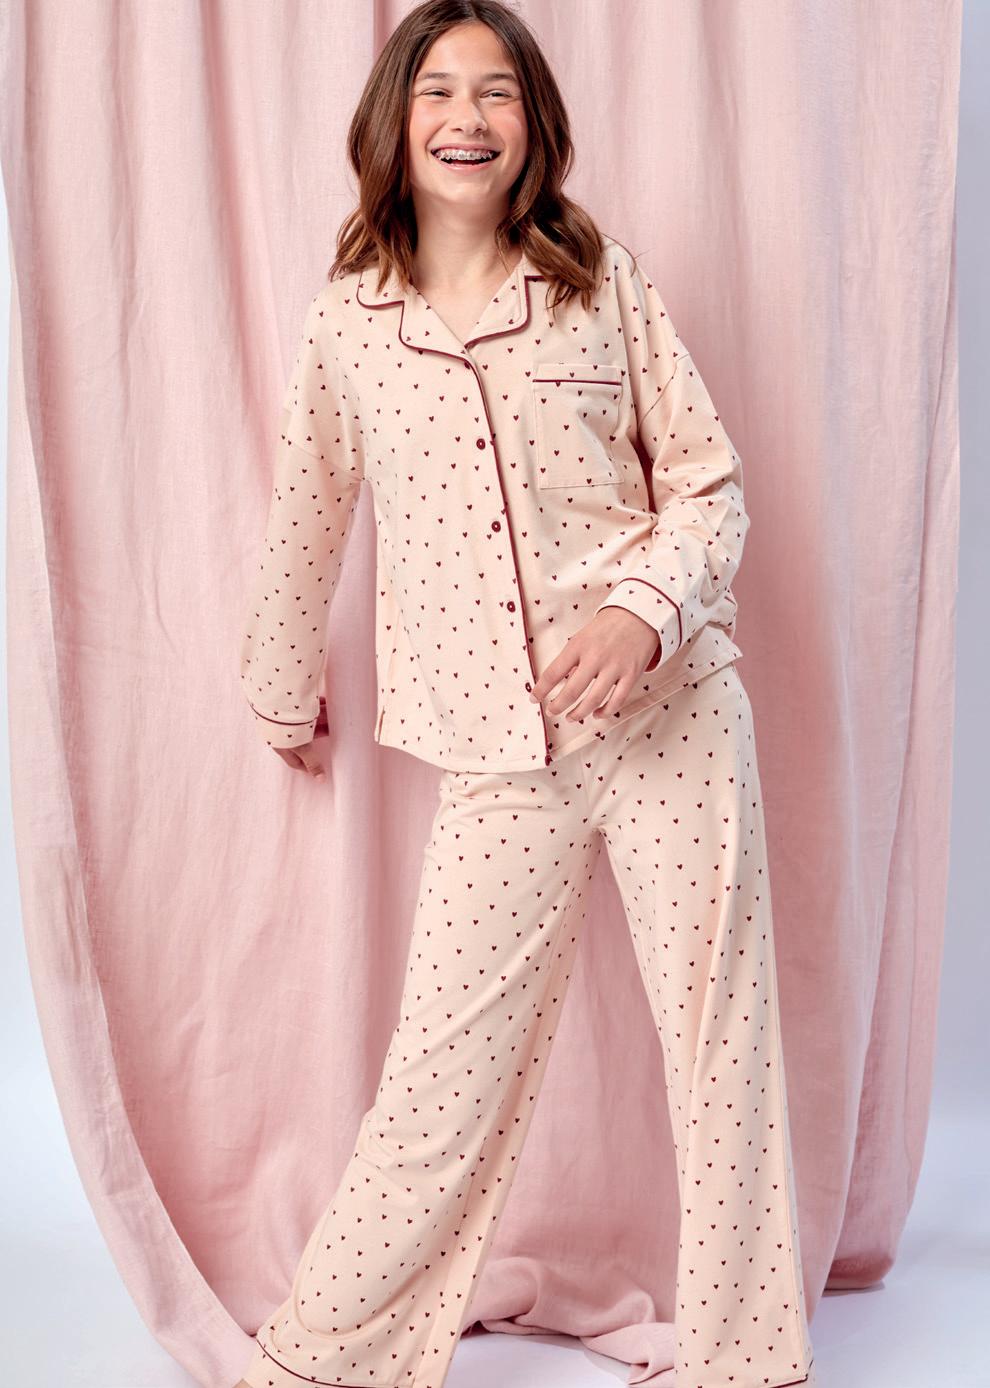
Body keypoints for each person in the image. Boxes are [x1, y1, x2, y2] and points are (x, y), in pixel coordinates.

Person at [236, 3, 817, 1386]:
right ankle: (326, 1359)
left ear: (532, 124)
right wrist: (278, 688)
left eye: (496, 91)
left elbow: (708, 483)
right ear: (394, 120)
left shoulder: (600, 282)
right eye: (438, 89)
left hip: (672, 718)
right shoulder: (349, 326)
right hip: (496, 749)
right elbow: (307, 516)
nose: (467, 116)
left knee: (720, 1045)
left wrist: (642, 614)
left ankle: (747, 1362)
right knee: (438, 1074)